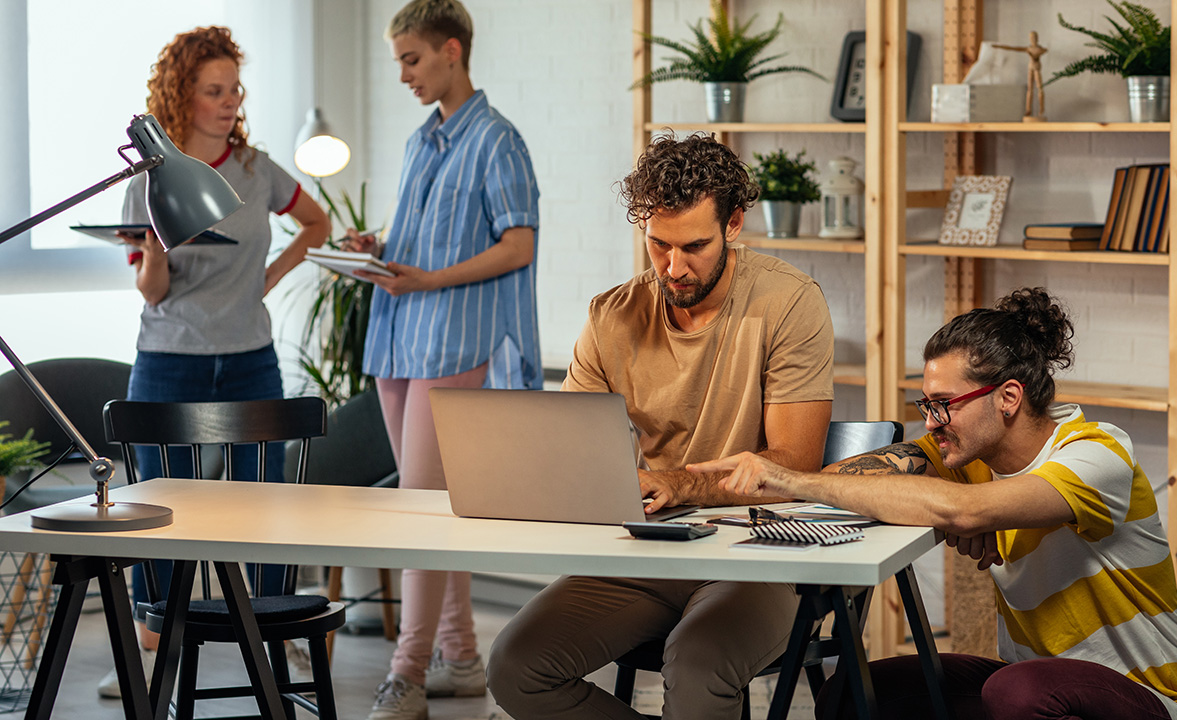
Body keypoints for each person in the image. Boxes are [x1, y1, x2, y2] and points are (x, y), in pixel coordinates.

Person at [696, 287, 1177, 720]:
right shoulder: (963, 458)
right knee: (851, 691)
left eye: (944, 404)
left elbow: (964, 511)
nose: (932, 421)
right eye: (926, 405)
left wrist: (962, 507)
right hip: (1037, 683)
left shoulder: (1097, 452)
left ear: (1008, 398)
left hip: (1151, 698)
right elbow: (848, 478)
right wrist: (956, 500)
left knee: (1015, 693)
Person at [486, 131, 835, 720]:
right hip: (644, 552)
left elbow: (795, 464)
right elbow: (571, 446)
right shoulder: (612, 315)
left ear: (734, 224)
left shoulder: (789, 302)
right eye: (657, 245)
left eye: (694, 245)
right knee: (517, 668)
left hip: (757, 552)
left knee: (698, 664)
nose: (673, 267)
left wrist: (681, 482)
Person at [97, 25, 331, 700]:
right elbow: (151, 288)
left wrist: (270, 276)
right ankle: (150, 650)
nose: (229, 102)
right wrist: (158, 246)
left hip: (250, 361)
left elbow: (315, 224)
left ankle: (273, 636)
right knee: (159, 514)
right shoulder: (148, 182)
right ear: (183, 96)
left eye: (234, 89)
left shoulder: (257, 170)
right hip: (170, 361)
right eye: (213, 91)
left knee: (264, 507)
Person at [343, 2, 542, 718]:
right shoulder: (418, 143)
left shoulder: (497, 141)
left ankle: (409, 674)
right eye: (398, 60)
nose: (402, 74)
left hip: (458, 342)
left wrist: (428, 278)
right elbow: (421, 237)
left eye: (411, 59)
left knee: (418, 514)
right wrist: (377, 246)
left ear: (451, 51)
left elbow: (517, 245)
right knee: (429, 509)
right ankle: (460, 656)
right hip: (400, 339)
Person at [993, 31, 1048, 121]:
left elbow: (1045, 50)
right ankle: (1028, 109)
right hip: (1030, 69)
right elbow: (1013, 48)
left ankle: (1041, 109)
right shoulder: (1029, 49)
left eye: (1034, 37)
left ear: (1037, 39)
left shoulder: (1039, 49)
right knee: (1030, 89)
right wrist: (999, 46)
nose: (1033, 39)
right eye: (1031, 38)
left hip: (1037, 69)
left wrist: (1039, 53)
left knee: (1040, 88)